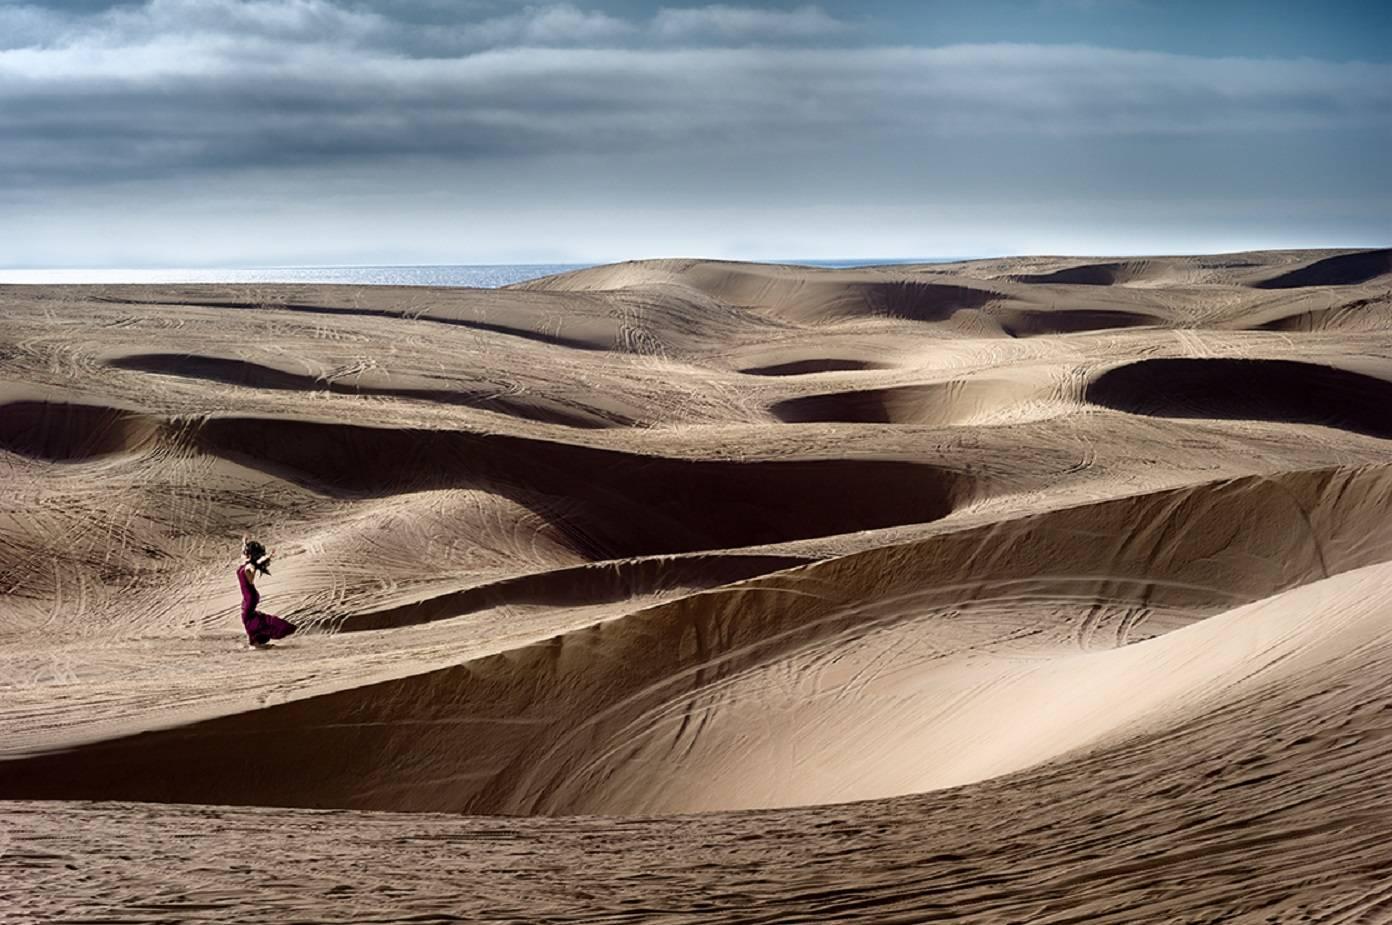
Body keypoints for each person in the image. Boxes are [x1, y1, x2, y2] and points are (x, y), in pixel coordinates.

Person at [238, 536, 297, 648]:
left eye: (245, 552)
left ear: (249, 555)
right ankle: (257, 641)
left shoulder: (249, 566)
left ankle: (256, 643)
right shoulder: (247, 562)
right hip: (248, 597)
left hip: (250, 597)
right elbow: (249, 559)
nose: (242, 553)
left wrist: (251, 571)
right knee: (250, 620)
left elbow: (250, 578)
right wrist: (244, 542)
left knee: (249, 620)